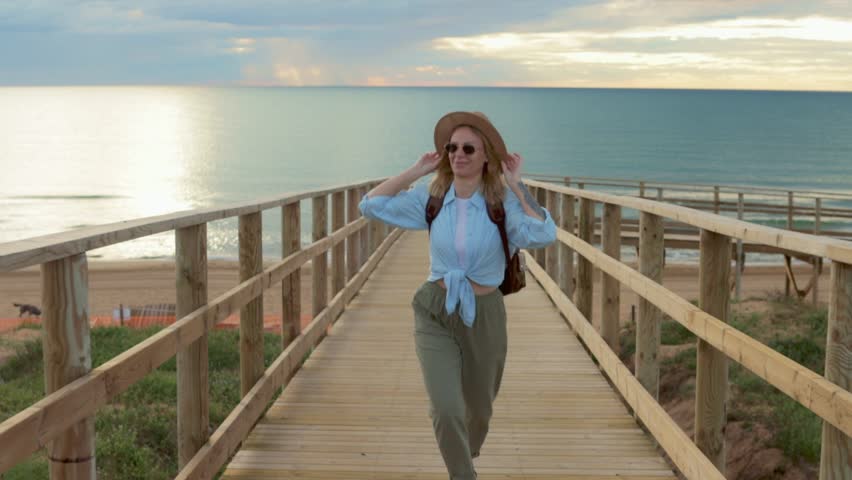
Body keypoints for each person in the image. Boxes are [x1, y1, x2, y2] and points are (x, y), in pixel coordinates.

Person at [359, 111, 556, 479]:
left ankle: (464, 451)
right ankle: (463, 473)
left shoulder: (503, 206)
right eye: (452, 147)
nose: (458, 154)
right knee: (446, 409)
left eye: (469, 147)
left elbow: (544, 234)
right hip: (434, 308)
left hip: (485, 313)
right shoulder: (431, 199)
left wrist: (517, 184)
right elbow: (369, 205)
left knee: (478, 410)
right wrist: (415, 171)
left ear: (486, 157)